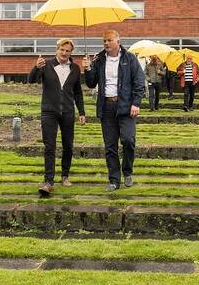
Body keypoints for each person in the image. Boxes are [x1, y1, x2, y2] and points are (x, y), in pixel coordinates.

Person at [83, 30, 145, 191]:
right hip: (106, 106)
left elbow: (139, 81)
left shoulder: (129, 58)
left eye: (109, 40)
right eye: (104, 41)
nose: (106, 43)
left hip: (125, 106)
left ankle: (128, 171)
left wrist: (136, 103)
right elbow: (91, 83)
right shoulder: (99, 60)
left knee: (128, 140)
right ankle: (114, 180)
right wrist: (88, 69)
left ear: (118, 41)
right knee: (110, 146)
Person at [27, 38, 86, 196]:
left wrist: (81, 112)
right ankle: (48, 181)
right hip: (49, 112)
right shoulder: (45, 65)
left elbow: (78, 92)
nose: (65, 53)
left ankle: (65, 176)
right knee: (50, 146)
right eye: (62, 50)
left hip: (67, 112)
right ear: (57, 49)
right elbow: (31, 80)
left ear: (71, 53)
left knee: (68, 145)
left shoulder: (75, 68)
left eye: (68, 51)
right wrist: (36, 68)